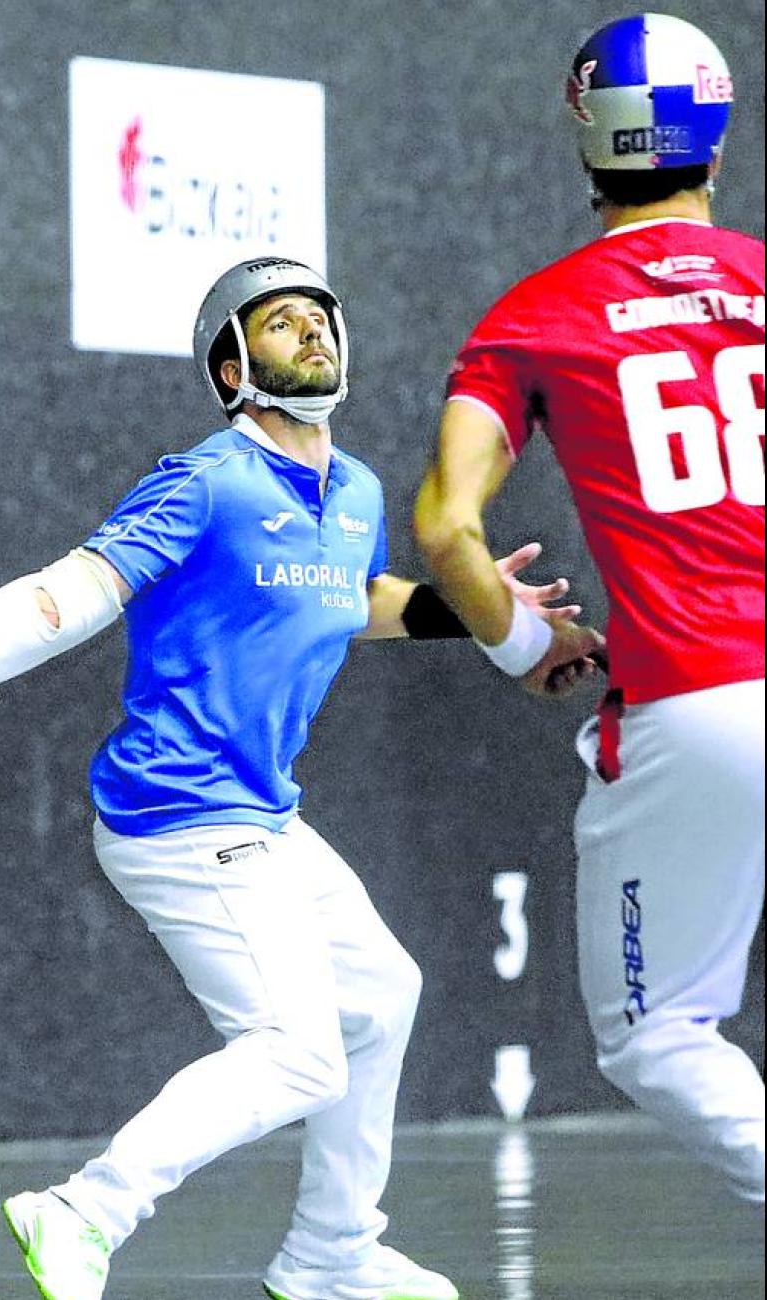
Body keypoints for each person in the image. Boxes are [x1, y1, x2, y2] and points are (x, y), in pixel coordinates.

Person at [0, 257, 580, 1300]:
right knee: (297, 1049)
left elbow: (349, 597)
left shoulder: (353, 491)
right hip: (176, 811)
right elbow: (76, 590)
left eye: (320, 318)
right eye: (280, 323)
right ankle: (83, 1210)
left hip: (261, 812)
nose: (311, 332)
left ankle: (331, 1255)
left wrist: (479, 609)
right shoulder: (206, 481)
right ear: (233, 368)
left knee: (380, 996)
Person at [414, 13, 764, 1205]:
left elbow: (445, 528)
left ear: (587, 143)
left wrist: (523, 640)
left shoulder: (538, 315)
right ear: (716, 141)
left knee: (658, 1034)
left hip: (697, 703)